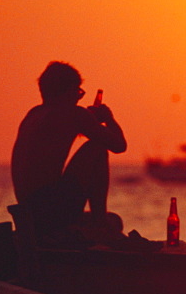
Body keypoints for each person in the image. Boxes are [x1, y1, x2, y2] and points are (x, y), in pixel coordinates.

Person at [11, 61, 127, 247]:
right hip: (50, 208)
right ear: (67, 91)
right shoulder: (74, 114)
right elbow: (119, 145)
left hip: (30, 212)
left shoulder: (33, 115)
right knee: (96, 148)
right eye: (78, 92)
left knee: (116, 220)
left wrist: (88, 121)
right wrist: (108, 119)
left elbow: (59, 130)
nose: (78, 98)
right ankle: (100, 223)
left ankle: (100, 222)